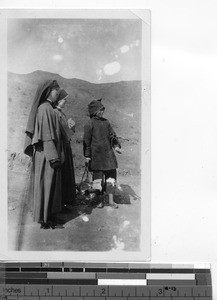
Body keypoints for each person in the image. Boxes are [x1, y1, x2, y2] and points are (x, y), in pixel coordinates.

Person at [24, 79, 64, 229]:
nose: (57, 93)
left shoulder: (48, 108)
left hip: (47, 153)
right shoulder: (45, 109)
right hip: (47, 154)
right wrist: (54, 157)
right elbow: (47, 136)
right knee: (46, 186)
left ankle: (48, 217)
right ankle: (46, 220)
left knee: (49, 186)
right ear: (48, 91)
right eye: (55, 91)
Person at [83, 99, 122, 208]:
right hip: (96, 156)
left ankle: (110, 201)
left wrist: (116, 146)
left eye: (103, 109)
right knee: (98, 180)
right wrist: (87, 156)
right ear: (95, 111)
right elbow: (87, 142)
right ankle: (99, 200)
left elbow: (112, 135)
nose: (102, 112)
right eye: (100, 110)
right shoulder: (89, 124)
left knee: (111, 178)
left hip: (108, 155)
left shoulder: (106, 122)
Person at [54, 88, 77, 209]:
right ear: (58, 100)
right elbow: (61, 132)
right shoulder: (55, 113)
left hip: (65, 147)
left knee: (66, 175)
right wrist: (70, 129)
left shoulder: (61, 113)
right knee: (61, 176)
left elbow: (65, 131)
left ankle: (64, 202)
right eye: (64, 99)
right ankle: (60, 204)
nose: (65, 102)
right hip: (60, 148)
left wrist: (70, 127)